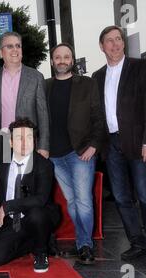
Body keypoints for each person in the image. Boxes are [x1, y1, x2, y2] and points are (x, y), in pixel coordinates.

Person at [92, 25, 146, 271]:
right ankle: (138, 242)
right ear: (101, 46)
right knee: (122, 197)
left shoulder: (141, 67)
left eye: (118, 40)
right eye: (109, 41)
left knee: (145, 194)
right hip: (111, 145)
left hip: (138, 143)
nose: (114, 44)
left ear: (123, 43)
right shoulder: (97, 76)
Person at [46, 43, 107, 264]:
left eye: (66, 57)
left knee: (83, 201)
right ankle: (82, 242)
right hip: (54, 155)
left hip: (80, 152)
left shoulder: (87, 84)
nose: (62, 60)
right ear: (52, 61)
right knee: (72, 201)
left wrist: (93, 145)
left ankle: (85, 245)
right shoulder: (45, 86)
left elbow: (98, 118)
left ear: (72, 60)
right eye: (58, 57)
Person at [0, 118, 61, 273]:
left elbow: (40, 199)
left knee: (36, 214)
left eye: (29, 137)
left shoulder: (44, 164)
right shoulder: (1, 164)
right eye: (19, 138)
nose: (24, 142)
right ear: (11, 142)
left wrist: (7, 206)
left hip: (39, 216)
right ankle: (35, 242)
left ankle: (41, 252)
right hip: (12, 221)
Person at [0, 32, 50, 159]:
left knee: (27, 178)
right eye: (9, 46)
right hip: (0, 144)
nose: (15, 49)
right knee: (4, 179)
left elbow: (43, 114)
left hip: (27, 143)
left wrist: (43, 146)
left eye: (18, 46)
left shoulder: (36, 77)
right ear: (0, 52)